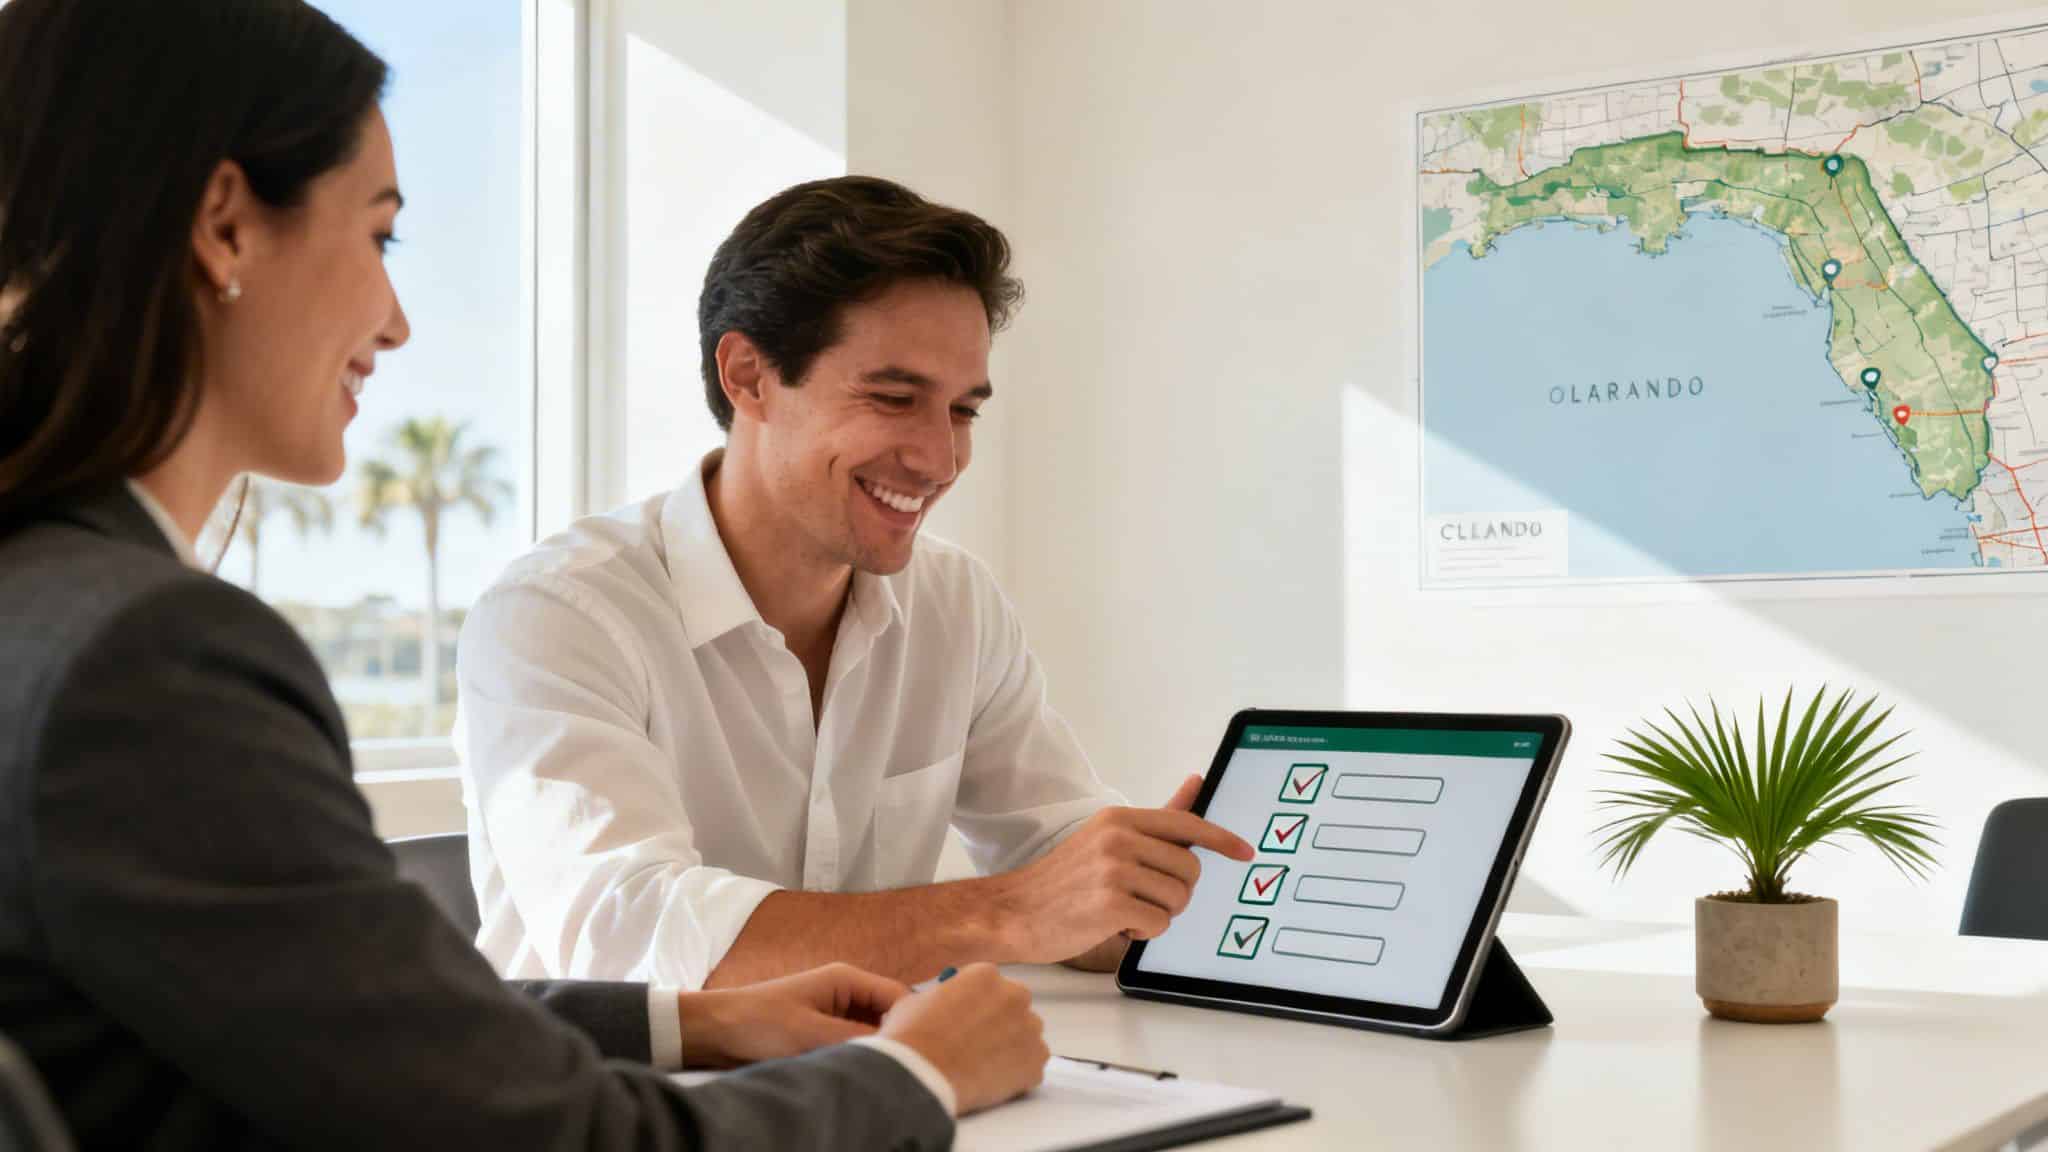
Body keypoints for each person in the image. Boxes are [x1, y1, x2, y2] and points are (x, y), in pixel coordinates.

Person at [0, 1, 1046, 1148]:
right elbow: (559, 1139)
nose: (396, 322)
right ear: (225, 227)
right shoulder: (143, 659)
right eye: (381, 235)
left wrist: (683, 1024)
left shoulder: (47, 606)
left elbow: (338, 1023)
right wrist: (919, 1081)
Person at [455, 175, 1256, 992]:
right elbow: (629, 938)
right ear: (748, 377)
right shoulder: (560, 613)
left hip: (874, 1088)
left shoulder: (954, 606)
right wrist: (1009, 912)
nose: (940, 460)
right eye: (894, 397)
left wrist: (1149, 892)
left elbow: (1055, 873)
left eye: (963, 411)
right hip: (625, 1106)